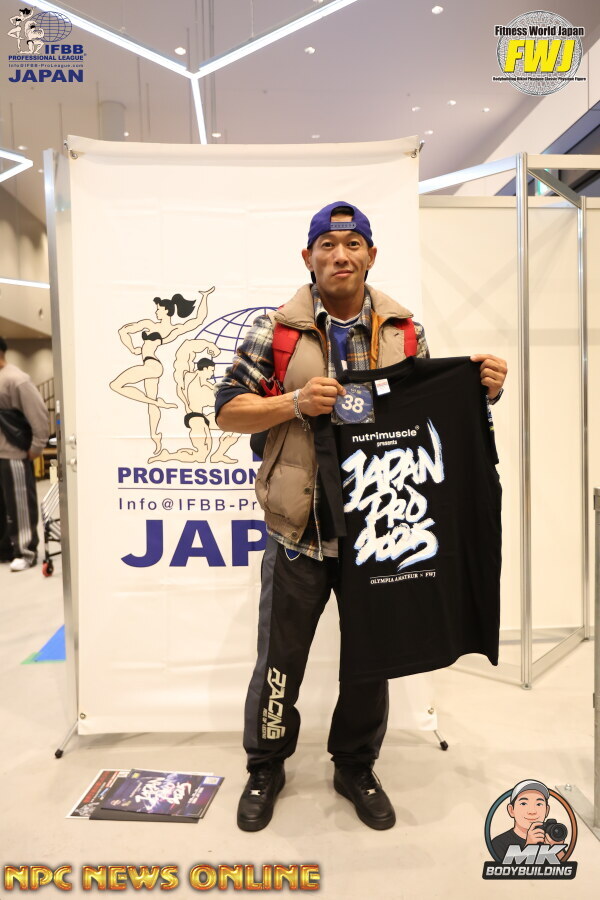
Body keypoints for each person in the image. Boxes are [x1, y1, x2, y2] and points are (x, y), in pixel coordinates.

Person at [215, 201, 507, 832]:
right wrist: (294, 401)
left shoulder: (405, 331)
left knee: (373, 659)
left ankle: (355, 765)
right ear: (309, 257)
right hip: (300, 531)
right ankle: (265, 765)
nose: (340, 255)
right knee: (279, 662)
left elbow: (429, 415)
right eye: (327, 244)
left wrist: (483, 389)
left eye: (352, 244)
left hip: (380, 530)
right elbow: (228, 411)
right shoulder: (275, 330)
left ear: (371, 255)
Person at [109, 287, 214, 456]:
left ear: (166, 310)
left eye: (158, 309)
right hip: (152, 365)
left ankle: (160, 404)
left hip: (151, 365)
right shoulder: (166, 329)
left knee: (116, 385)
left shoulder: (157, 327)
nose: (156, 312)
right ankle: (155, 438)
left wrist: (205, 297)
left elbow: (198, 320)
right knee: (151, 404)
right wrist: (133, 348)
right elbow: (123, 331)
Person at [0, 336, 50, 571]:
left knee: (19, 504)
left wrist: (37, 447)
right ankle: (6, 549)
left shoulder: (17, 379)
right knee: (3, 506)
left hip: (14, 454)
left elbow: (38, 414)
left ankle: (26, 551)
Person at [491, 780, 567, 862]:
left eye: (539, 804)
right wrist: (529, 847)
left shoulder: (550, 837)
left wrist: (557, 849)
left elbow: (566, 868)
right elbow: (506, 869)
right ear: (511, 810)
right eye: (523, 803)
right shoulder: (499, 843)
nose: (532, 811)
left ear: (547, 810)